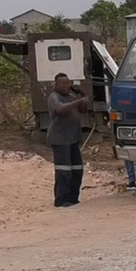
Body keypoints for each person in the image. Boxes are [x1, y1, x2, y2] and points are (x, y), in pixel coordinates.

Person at [48, 73, 91, 208]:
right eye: (64, 84)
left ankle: (73, 197)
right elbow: (60, 110)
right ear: (56, 85)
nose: (67, 86)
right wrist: (78, 101)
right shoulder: (54, 97)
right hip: (60, 139)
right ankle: (61, 199)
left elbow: (83, 110)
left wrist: (82, 97)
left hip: (72, 138)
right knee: (63, 170)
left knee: (77, 169)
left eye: (68, 83)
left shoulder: (71, 97)